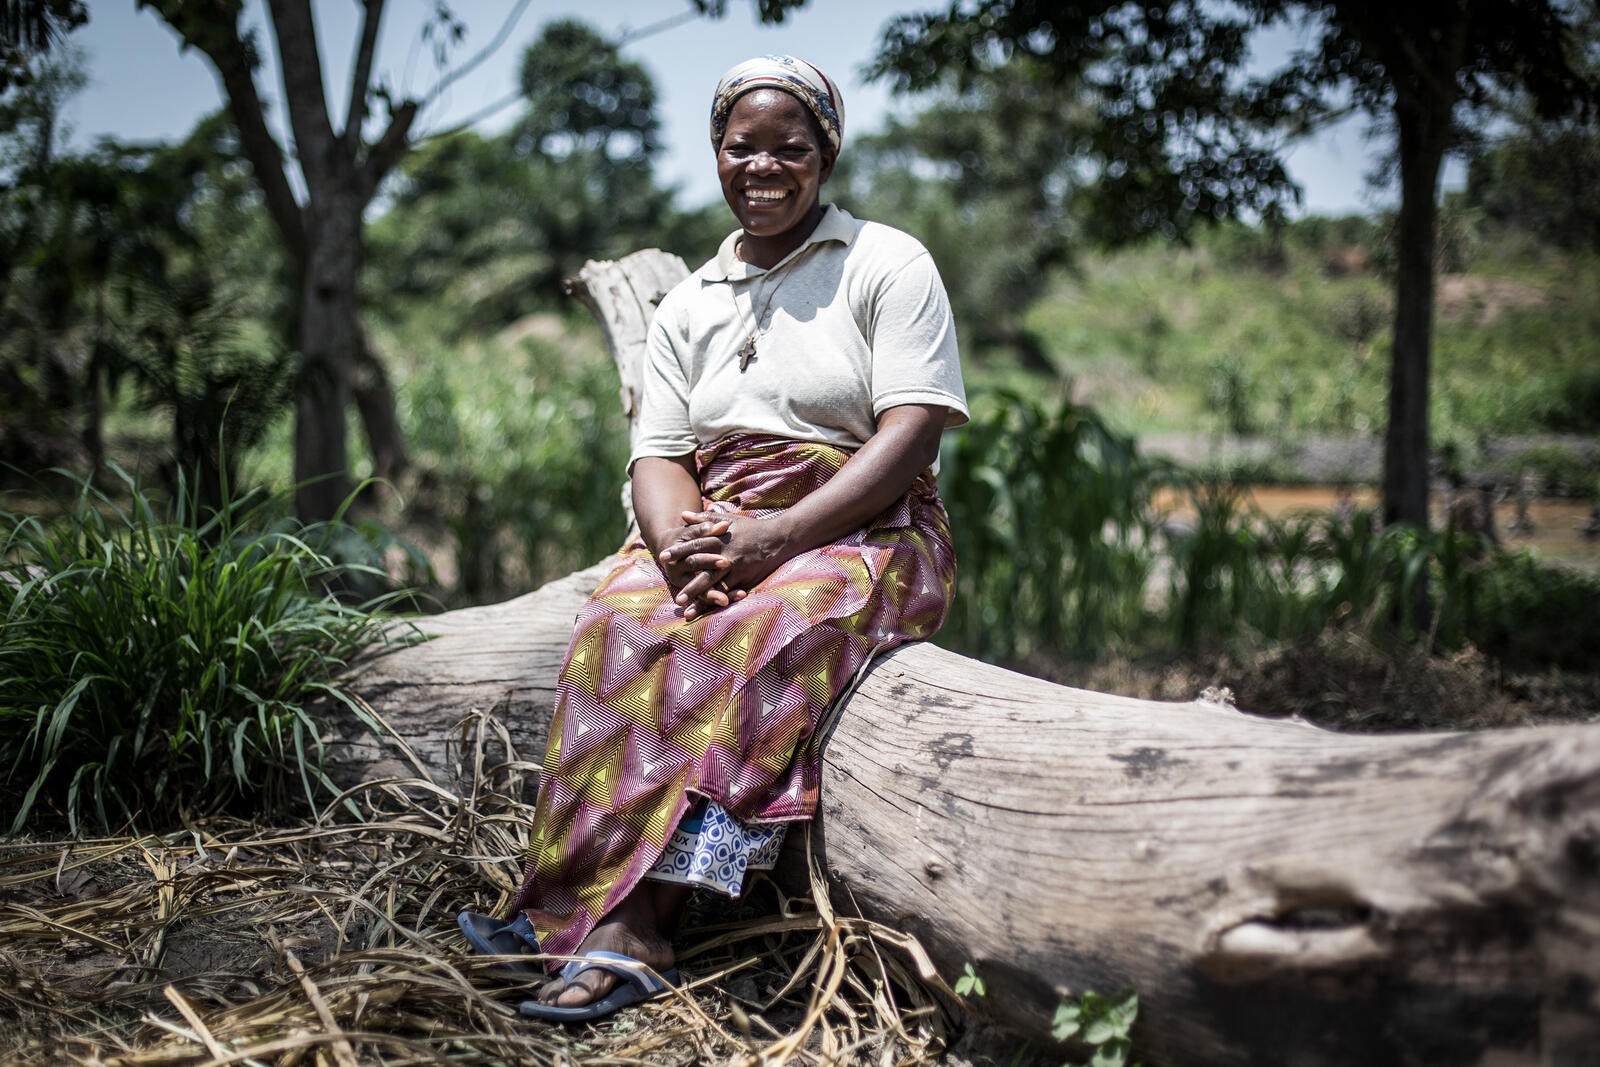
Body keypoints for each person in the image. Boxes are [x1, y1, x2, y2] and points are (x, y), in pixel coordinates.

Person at [457, 54, 968, 1022]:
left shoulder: (885, 262)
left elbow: (910, 429)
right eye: (744, 147)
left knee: (750, 642)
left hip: (863, 527)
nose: (765, 166)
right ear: (716, 154)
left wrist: (777, 538)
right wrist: (677, 554)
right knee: (617, 630)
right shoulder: (692, 298)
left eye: (791, 148)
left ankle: (646, 921)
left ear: (827, 154)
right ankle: (560, 901)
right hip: (715, 522)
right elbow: (658, 450)